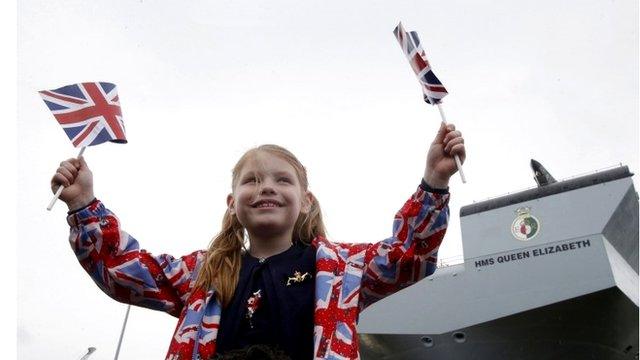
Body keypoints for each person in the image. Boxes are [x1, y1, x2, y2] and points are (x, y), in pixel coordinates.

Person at [51, 122, 465, 360]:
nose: (266, 188)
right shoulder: (201, 274)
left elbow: (408, 256)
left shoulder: (342, 271)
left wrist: (435, 181)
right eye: (252, 180)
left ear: (305, 202)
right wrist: (84, 204)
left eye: (282, 180)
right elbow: (121, 272)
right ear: (233, 204)